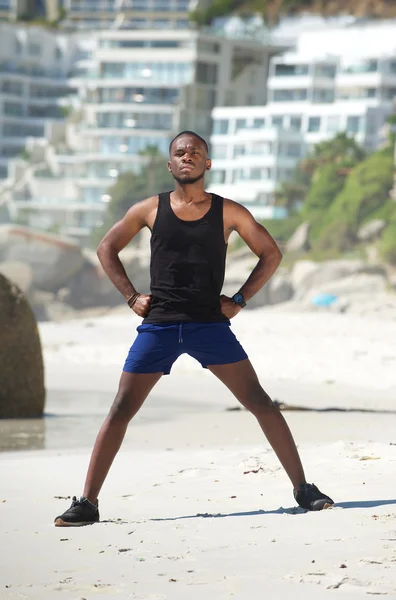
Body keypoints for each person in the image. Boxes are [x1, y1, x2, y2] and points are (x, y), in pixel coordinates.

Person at [54, 131, 333, 527]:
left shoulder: (229, 211)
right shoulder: (150, 209)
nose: (188, 157)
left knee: (260, 402)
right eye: (180, 153)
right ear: (170, 165)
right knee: (120, 409)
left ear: (207, 165)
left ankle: (304, 489)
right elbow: (106, 248)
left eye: (196, 153)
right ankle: (87, 502)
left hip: (210, 326)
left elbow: (271, 254)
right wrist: (132, 297)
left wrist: (239, 300)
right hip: (159, 327)